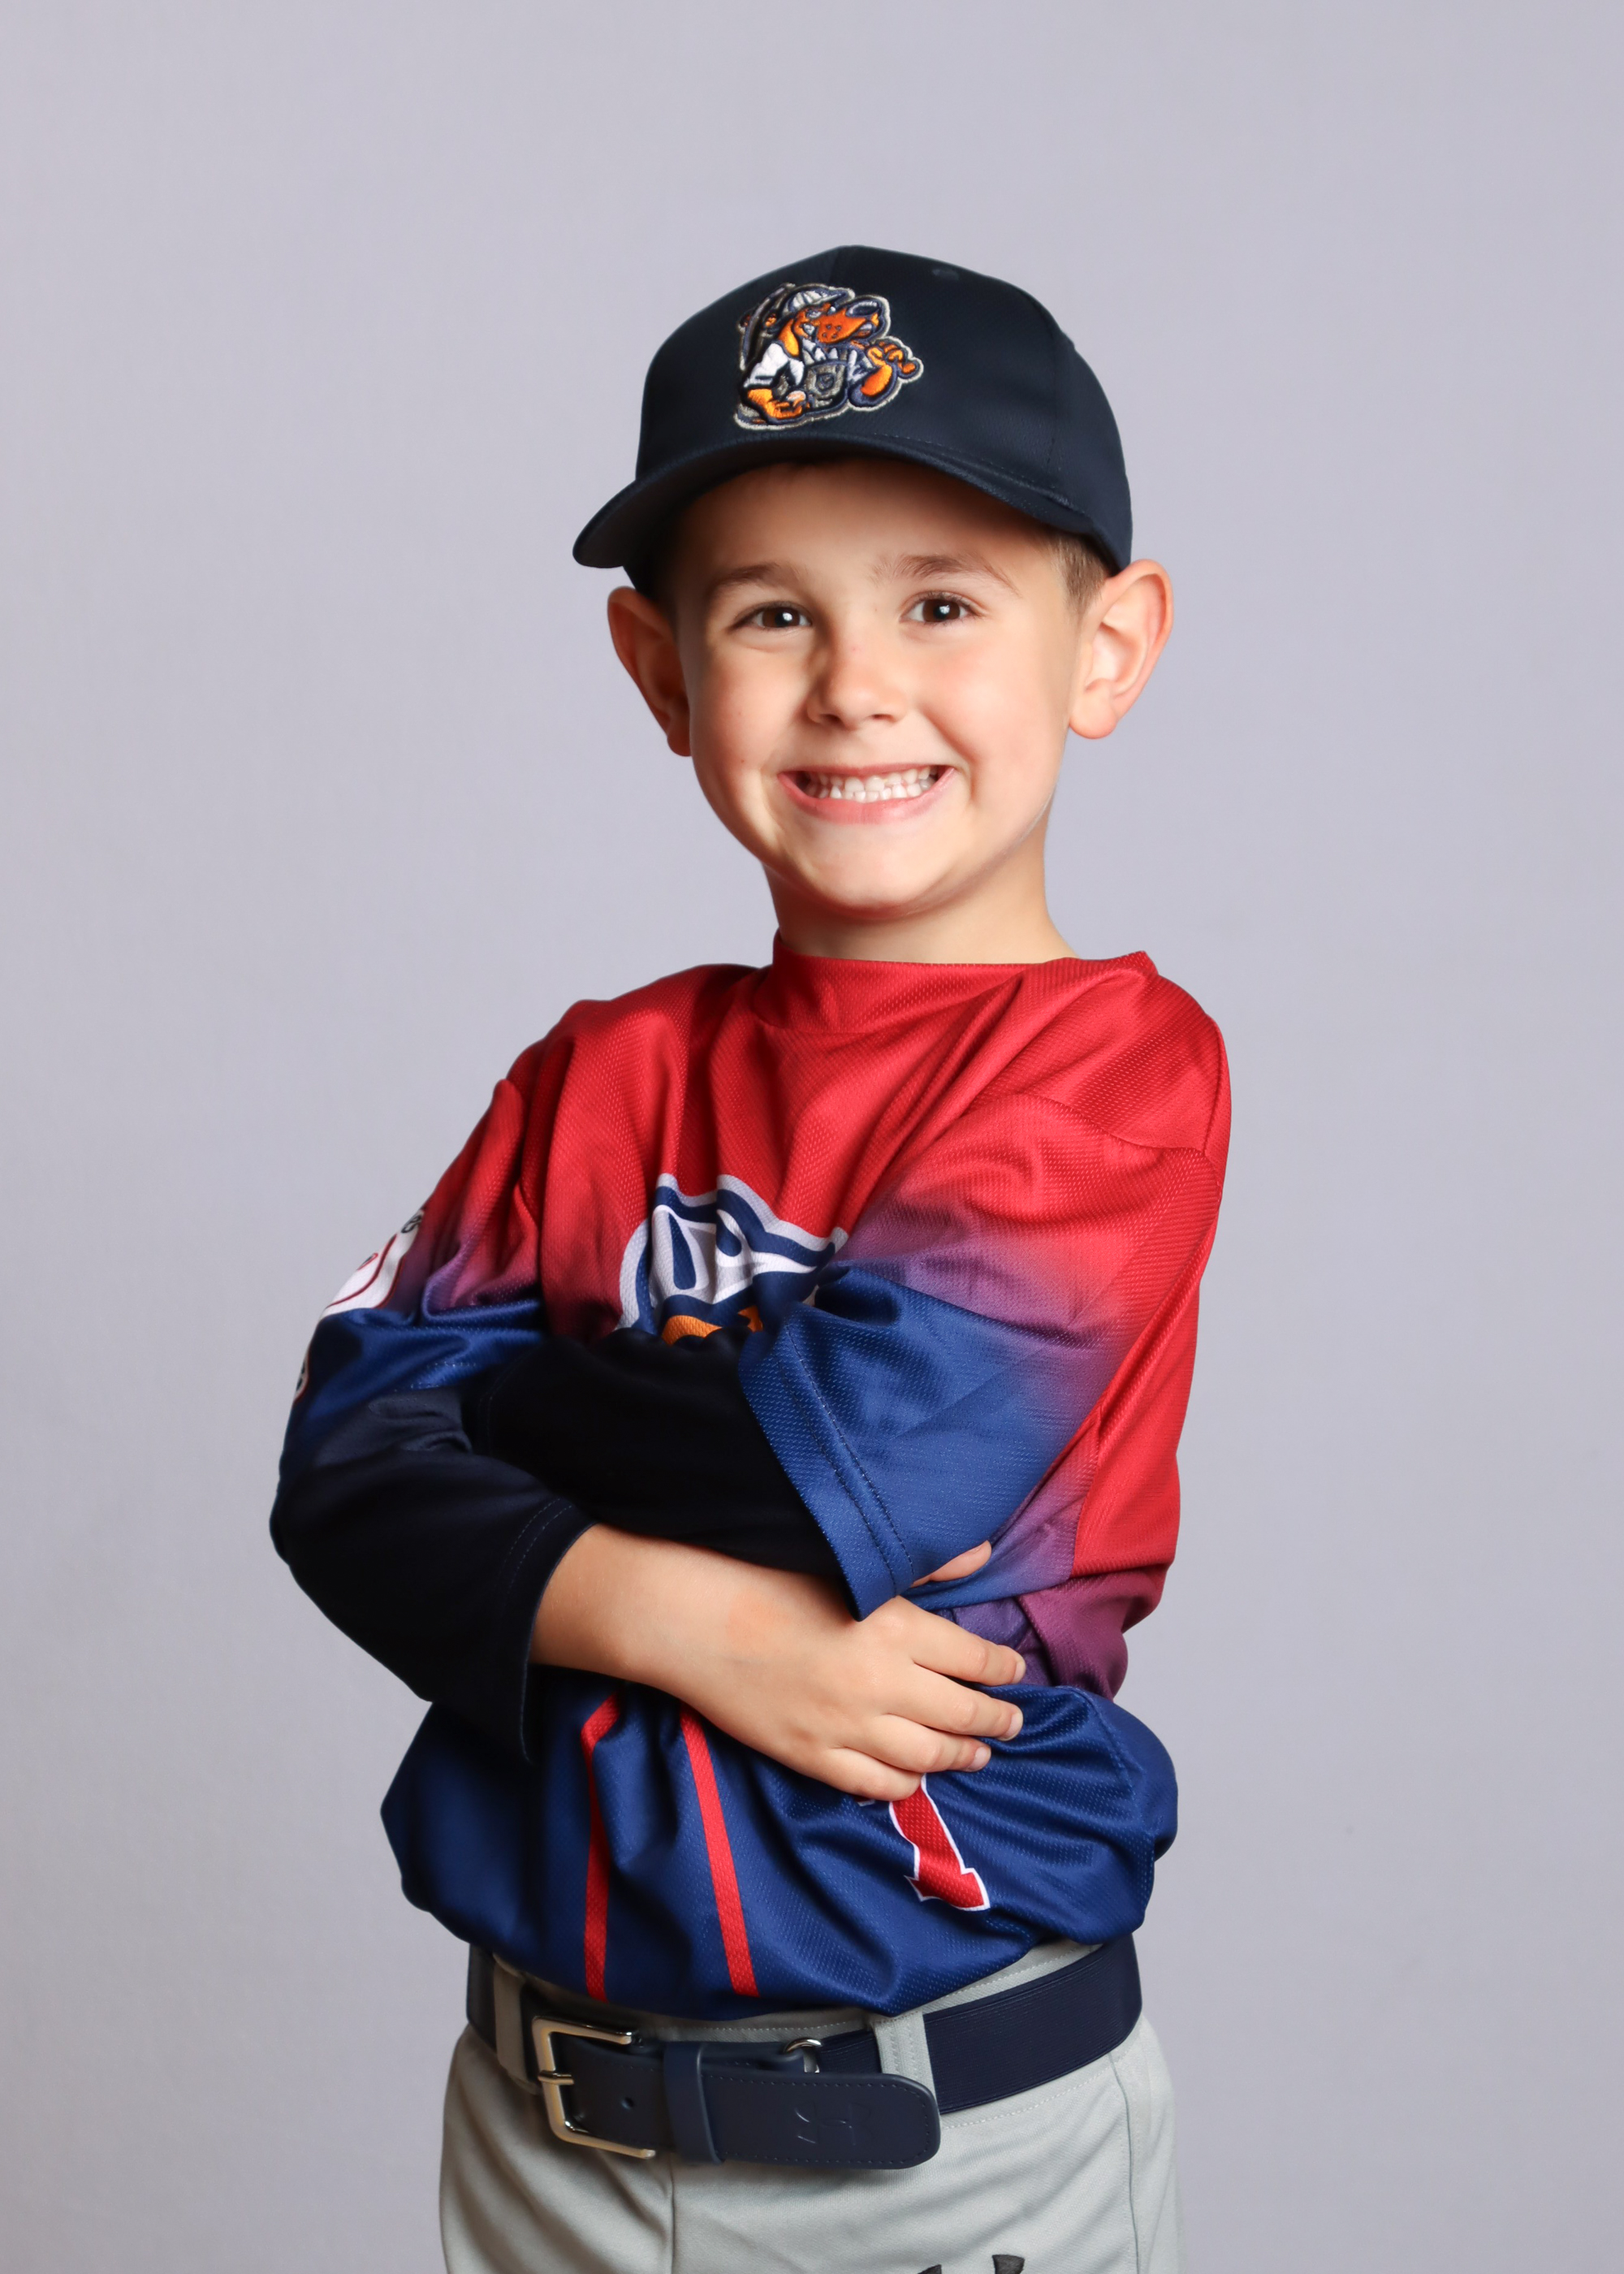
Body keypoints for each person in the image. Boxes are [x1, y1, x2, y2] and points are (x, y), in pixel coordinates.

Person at [271, 245, 1229, 2274]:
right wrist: (682, 1615)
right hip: (542, 2121)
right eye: (772, 612)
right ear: (660, 673)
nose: (855, 682)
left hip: (939, 2125)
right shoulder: (598, 1068)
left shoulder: (1113, 1070)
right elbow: (341, 1479)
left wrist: (504, 1419)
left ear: (1108, 647)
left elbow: (829, 1471)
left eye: (942, 603)